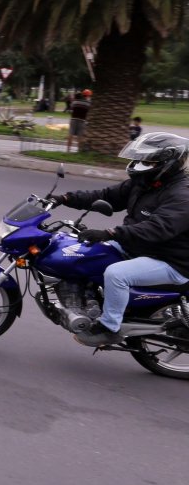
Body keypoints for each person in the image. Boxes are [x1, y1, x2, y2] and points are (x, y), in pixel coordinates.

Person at [53, 132, 189, 346]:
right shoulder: (145, 183)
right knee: (82, 252)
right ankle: (87, 299)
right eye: (139, 159)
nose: (139, 164)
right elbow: (106, 196)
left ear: (167, 163)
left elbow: (158, 229)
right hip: (137, 247)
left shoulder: (182, 195)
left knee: (117, 274)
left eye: (147, 161)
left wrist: (110, 233)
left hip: (171, 260)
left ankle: (109, 328)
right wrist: (65, 198)